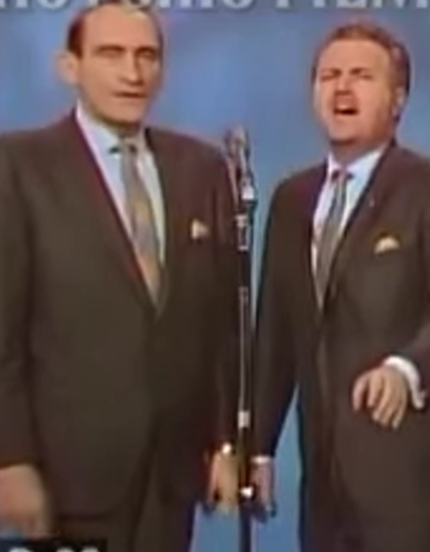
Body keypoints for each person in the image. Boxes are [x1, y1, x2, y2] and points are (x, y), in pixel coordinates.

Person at [0, 1, 240, 551]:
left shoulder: (201, 169)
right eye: (111, 54)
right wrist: (10, 459)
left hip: (171, 477)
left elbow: (220, 326)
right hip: (63, 479)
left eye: (146, 56)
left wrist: (224, 442)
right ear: (70, 66)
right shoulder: (18, 166)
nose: (132, 73)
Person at [250, 19, 430, 552]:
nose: (342, 88)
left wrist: (406, 367)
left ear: (398, 99)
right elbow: (275, 334)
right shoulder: (292, 200)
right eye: (329, 76)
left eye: (361, 76)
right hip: (325, 480)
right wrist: (259, 447)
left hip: (412, 472)